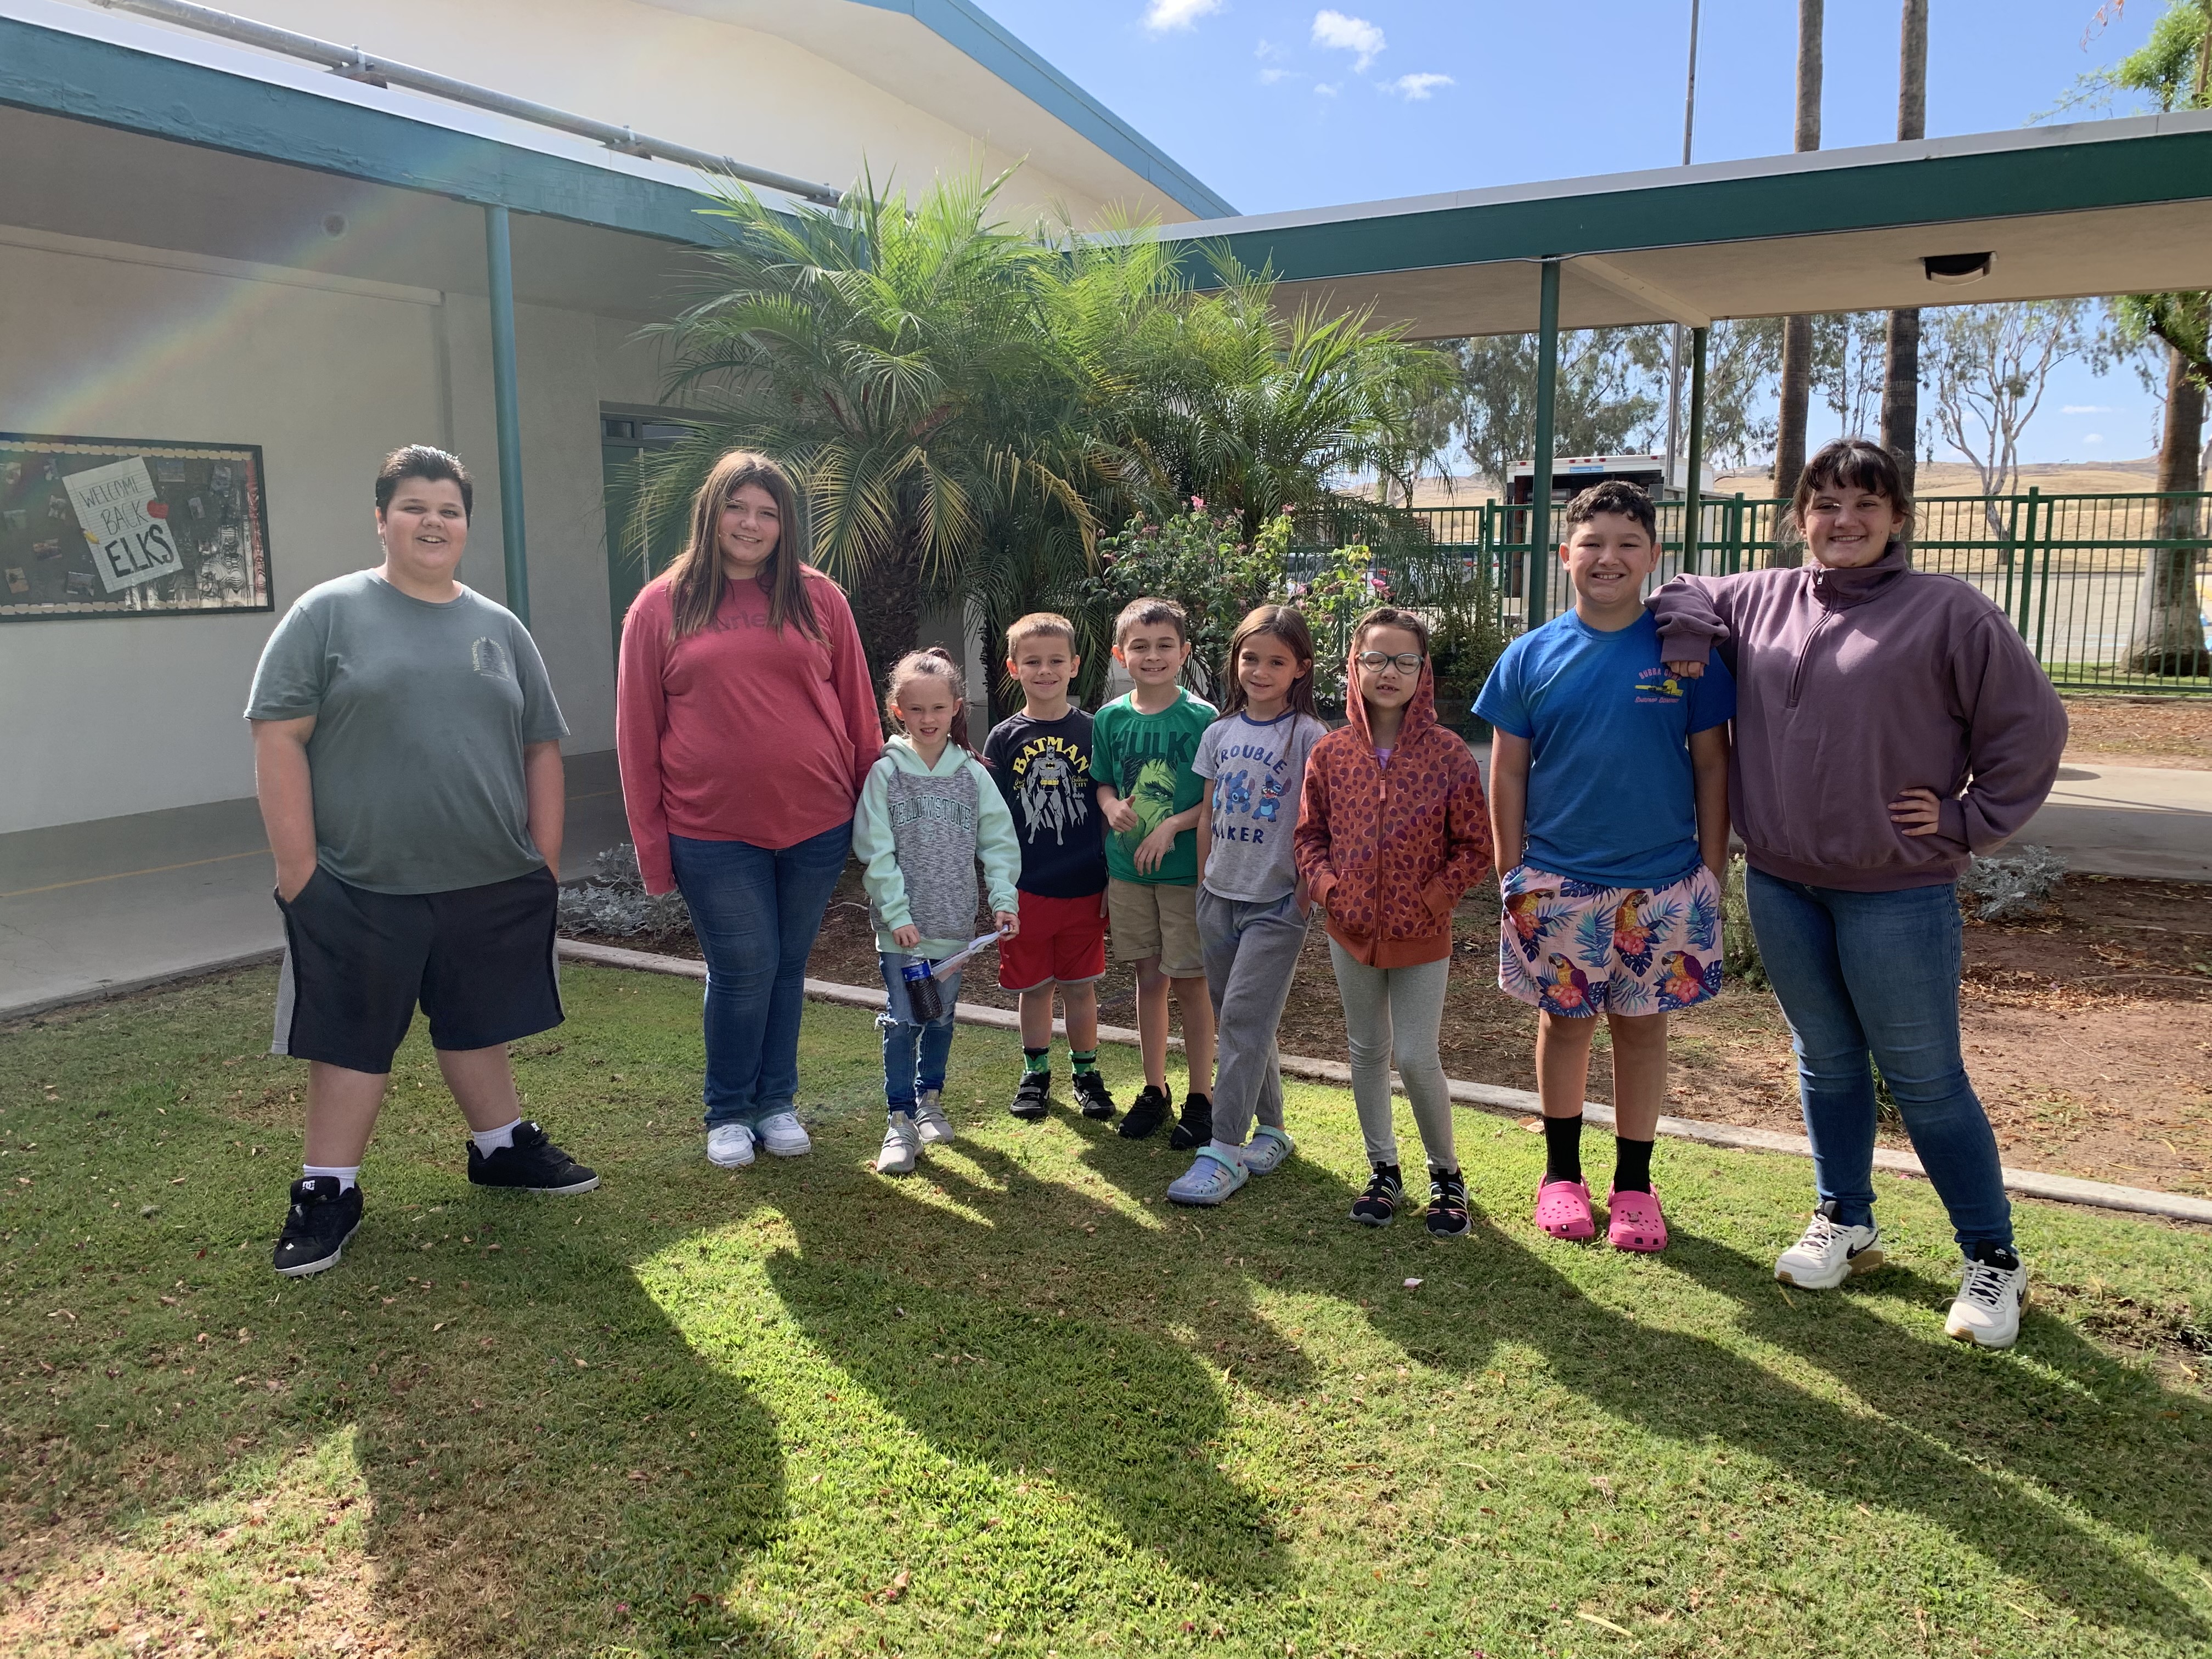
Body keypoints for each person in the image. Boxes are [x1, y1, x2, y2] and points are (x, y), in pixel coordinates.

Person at [1651, 437, 2067, 1349]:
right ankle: (1845, 1219)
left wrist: (1966, 819)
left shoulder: (1947, 612)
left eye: (1864, 505)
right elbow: (1676, 589)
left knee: (1923, 1076)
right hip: (1785, 881)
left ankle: (1992, 1257)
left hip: (1896, 891)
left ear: (1898, 518)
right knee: (1825, 1059)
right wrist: (1687, 639)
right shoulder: (1756, 598)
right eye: (1825, 504)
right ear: (1799, 515)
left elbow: (2031, 726)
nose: (1843, 522)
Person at [248, 444, 595, 1277]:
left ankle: (501, 1147)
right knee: (350, 1038)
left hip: (486, 878)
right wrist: (300, 870)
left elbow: (542, 745)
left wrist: (543, 860)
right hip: (361, 883)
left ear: (466, 525)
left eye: (449, 509)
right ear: (381, 518)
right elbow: (278, 736)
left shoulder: (498, 627)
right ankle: (328, 1190)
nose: (432, 522)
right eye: (414, 506)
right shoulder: (325, 615)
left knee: (480, 1021)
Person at [1476, 480, 1734, 1254]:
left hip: (1663, 884)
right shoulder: (1530, 656)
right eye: (1592, 544)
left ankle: (1633, 1186)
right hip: (1557, 881)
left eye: (1628, 544)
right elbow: (1508, 772)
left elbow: (1713, 769)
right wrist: (1512, 873)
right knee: (1565, 1027)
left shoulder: (1684, 658)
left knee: (1643, 1031)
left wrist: (1711, 872)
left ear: (1653, 558)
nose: (1608, 558)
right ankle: (1561, 1177)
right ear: (1565, 556)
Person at [616, 450, 881, 1170]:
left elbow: (857, 708)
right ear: (712, 511)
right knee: (744, 964)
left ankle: (777, 1101)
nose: (752, 523)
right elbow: (636, 736)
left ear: (785, 525)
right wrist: (653, 849)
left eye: (768, 512)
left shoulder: (817, 597)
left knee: (788, 964)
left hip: (816, 821)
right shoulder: (662, 605)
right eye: (739, 507)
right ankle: (728, 1109)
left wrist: (876, 813)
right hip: (710, 828)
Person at [1294, 607, 1493, 1236]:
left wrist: (1434, 900)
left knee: (1414, 1055)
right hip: (1348, 931)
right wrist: (1330, 891)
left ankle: (1447, 1176)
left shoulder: (1448, 753)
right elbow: (1308, 838)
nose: (1389, 672)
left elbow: (1475, 847)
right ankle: (1383, 1168)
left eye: (1404, 660)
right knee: (1365, 1050)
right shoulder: (1330, 753)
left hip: (1421, 935)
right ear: (1354, 666)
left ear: (1422, 672)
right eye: (1375, 658)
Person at [1167, 605, 1330, 1206]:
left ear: (1301, 669)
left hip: (1276, 904)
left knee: (1239, 1020)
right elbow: (1209, 812)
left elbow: (1323, 823)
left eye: (1277, 661)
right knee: (1243, 1019)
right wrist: (1207, 884)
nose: (1260, 671)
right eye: (1251, 658)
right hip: (1218, 897)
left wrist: (1304, 894)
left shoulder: (1311, 737)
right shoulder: (1219, 733)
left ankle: (1224, 1150)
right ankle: (1274, 1130)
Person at [852, 648, 1021, 1175]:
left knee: (941, 1018)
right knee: (903, 1021)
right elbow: (875, 849)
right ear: (898, 709)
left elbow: (998, 842)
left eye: (938, 709)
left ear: (955, 709)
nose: (928, 720)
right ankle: (899, 1119)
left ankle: (930, 1101)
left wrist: (1003, 900)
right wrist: (897, 914)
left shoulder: (971, 774)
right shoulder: (886, 772)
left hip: (953, 928)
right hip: (903, 933)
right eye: (916, 709)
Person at [1093, 597, 1218, 1145]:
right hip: (1127, 873)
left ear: (1184, 653)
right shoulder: (1110, 718)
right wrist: (1109, 806)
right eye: (1140, 647)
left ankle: (1200, 1096)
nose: (1152, 656)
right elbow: (1102, 782)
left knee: (1191, 984)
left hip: (1184, 874)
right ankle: (1154, 1089)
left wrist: (1173, 827)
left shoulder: (1203, 718)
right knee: (1148, 979)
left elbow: (1213, 801)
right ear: (1121, 654)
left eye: (1165, 645)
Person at [982, 613, 1115, 1121]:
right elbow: (992, 822)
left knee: (1081, 988)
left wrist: (1111, 879)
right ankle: (1035, 1073)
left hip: (1084, 887)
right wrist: (1001, 890)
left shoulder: (1095, 729)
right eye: (1032, 661)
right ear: (1014, 668)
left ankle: (1086, 1073)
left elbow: (1106, 807)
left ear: (1075, 665)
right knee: (1034, 988)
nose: (1045, 670)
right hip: (1027, 889)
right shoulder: (1002, 737)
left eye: (1056, 660)